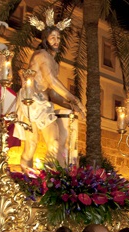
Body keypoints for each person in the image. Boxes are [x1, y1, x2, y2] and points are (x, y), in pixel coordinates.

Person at [18, 10, 85, 170]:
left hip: (43, 102)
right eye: (52, 38)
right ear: (45, 39)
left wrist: (70, 105)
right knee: (31, 145)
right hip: (31, 100)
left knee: (54, 143)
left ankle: (48, 181)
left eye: (58, 38)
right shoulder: (41, 55)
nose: (56, 41)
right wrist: (74, 98)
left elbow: (51, 92)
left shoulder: (54, 62)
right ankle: (25, 182)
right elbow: (52, 82)